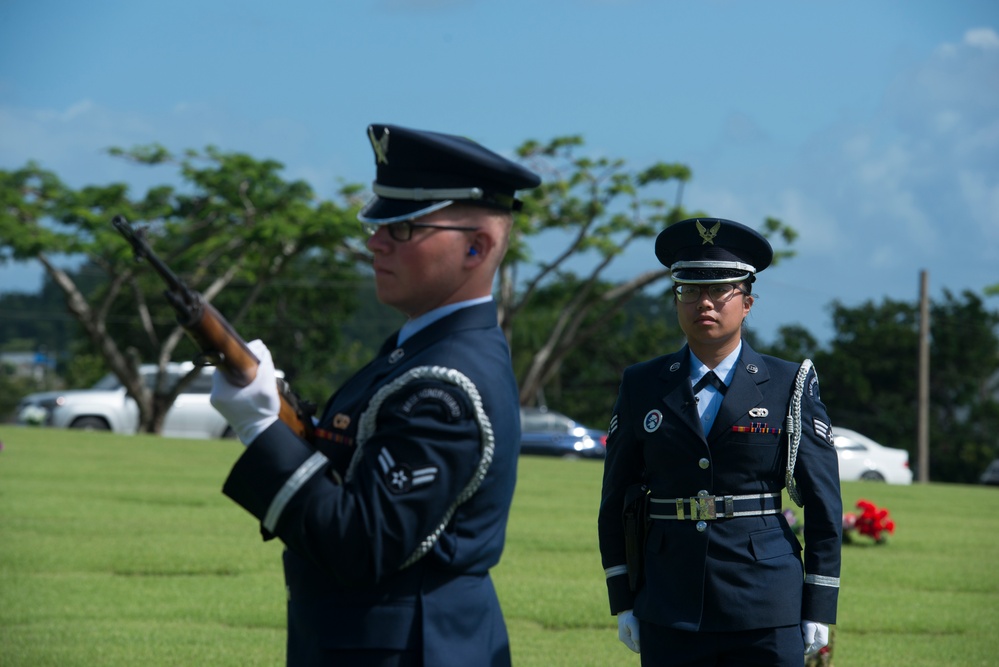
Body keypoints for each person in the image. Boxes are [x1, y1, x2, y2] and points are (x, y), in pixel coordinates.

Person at [210, 123, 540, 666]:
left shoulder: (442, 384)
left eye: (404, 227)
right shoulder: (417, 352)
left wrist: (258, 428)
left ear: (475, 247)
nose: (375, 241)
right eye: (379, 222)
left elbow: (360, 543)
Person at [597, 217, 842, 666]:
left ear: (747, 302)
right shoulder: (643, 384)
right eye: (689, 290)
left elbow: (825, 504)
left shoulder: (788, 384)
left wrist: (820, 602)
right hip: (669, 603)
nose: (702, 302)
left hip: (765, 605)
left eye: (719, 291)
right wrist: (623, 598)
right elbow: (615, 498)